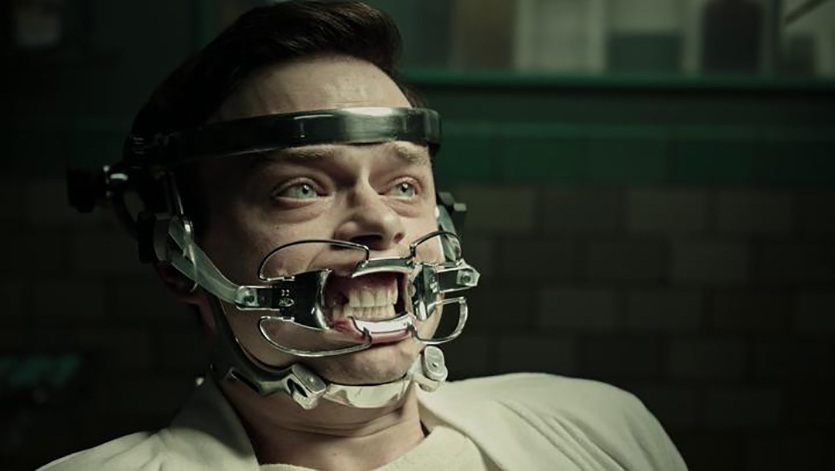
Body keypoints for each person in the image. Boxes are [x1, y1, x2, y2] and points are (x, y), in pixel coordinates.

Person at [43, 1, 687, 470]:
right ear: (179, 258)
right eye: (301, 188)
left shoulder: (598, 431)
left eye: (403, 185)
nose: (380, 220)